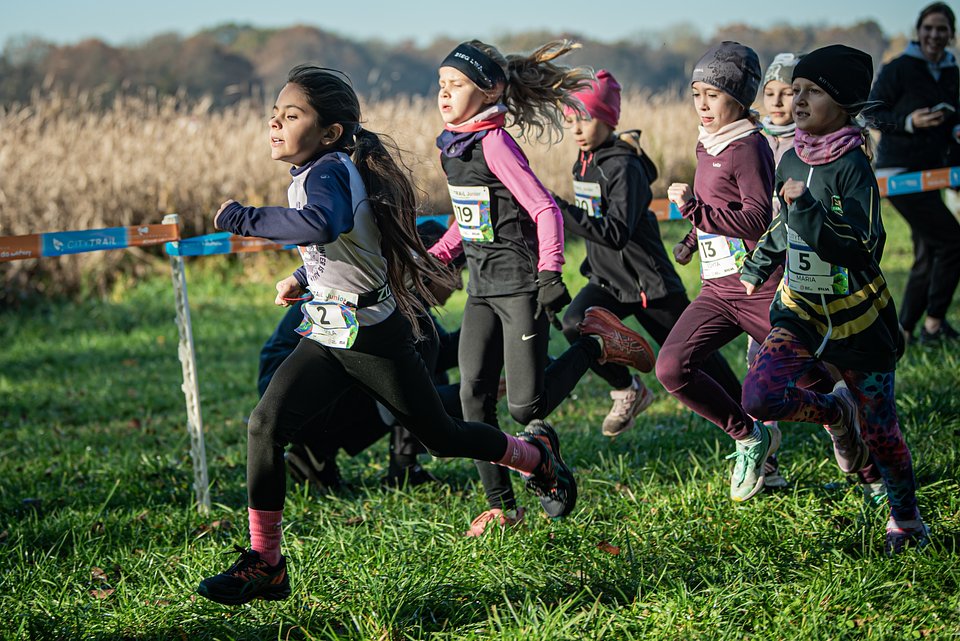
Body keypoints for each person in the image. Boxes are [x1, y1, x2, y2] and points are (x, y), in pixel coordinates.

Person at [196, 65, 580, 605]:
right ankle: (266, 561)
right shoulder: (323, 170)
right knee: (264, 425)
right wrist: (303, 277)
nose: (275, 124)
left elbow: (321, 225)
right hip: (327, 333)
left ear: (330, 132)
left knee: (442, 437)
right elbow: (348, 244)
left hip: (373, 338)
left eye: (291, 115)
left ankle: (536, 457)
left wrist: (244, 217)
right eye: (273, 116)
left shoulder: (327, 171)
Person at [428, 42, 656, 535]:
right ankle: (502, 506)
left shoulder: (494, 143)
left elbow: (544, 210)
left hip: (520, 287)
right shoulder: (453, 147)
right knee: (473, 398)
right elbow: (466, 221)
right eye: (441, 85)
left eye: (456, 85)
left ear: (489, 90)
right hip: (481, 291)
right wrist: (436, 258)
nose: (444, 94)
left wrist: (550, 273)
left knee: (525, 408)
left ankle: (598, 344)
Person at [740, 45, 928, 555]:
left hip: (858, 320)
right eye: (794, 90)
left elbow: (864, 248)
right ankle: (834, 414)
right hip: (799, 312)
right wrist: (759, 264)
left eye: (812, 91)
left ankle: (906, 520)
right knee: (759, 395)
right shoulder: (793, 156)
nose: (796, 100)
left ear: (843, 103)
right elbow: (782, 224)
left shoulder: (851, 167)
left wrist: (806, 214)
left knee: (882, 432)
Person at [657, 42, 831, 502]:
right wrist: (693, 238)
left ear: (736, 96)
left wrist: (693, 213)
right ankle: (749, 437)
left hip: (758, 287)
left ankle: (856, 439)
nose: (702, 105)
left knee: (819, 380)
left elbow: (755, 218)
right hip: (716, 290)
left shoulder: (748, 146)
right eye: (696, 95)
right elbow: (719, 208)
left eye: (712, 95)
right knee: (671, 367)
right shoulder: (707, 144)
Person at [551, 69, 743, 437]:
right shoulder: (584, 161)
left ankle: (749, 419)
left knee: (698, 361)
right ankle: (627, 390)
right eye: (570, 118)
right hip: (608, 282)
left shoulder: (624, 166)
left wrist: (561, 210)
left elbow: (616, 232)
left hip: (650, 286)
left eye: (585, 118)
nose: (576, 128)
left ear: (607, 118)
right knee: (574, 323)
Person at [257, 220, 462, 491]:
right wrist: (466, 396)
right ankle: (400, 469)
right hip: (285, 390)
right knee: (406, 374)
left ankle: (315, 455)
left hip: (298, 387)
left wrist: (493, 331)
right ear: (426, 269)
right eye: (455, 272)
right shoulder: (380, 295)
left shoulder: (393, 288)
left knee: (426, 364)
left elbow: (444, 349)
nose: (458, 285)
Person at [869, 2, 960, 346]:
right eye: (929, 28)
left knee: (927, 252)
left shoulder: (951, 72)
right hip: (900, 172)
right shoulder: (899, 68)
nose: (935, 35)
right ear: (918, 32)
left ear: (951, 34)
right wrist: (909, 122)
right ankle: (933, 325)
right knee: (952, 242)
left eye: (942, 29)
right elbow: (873, 114)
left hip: (936, 171)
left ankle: (905, 330)